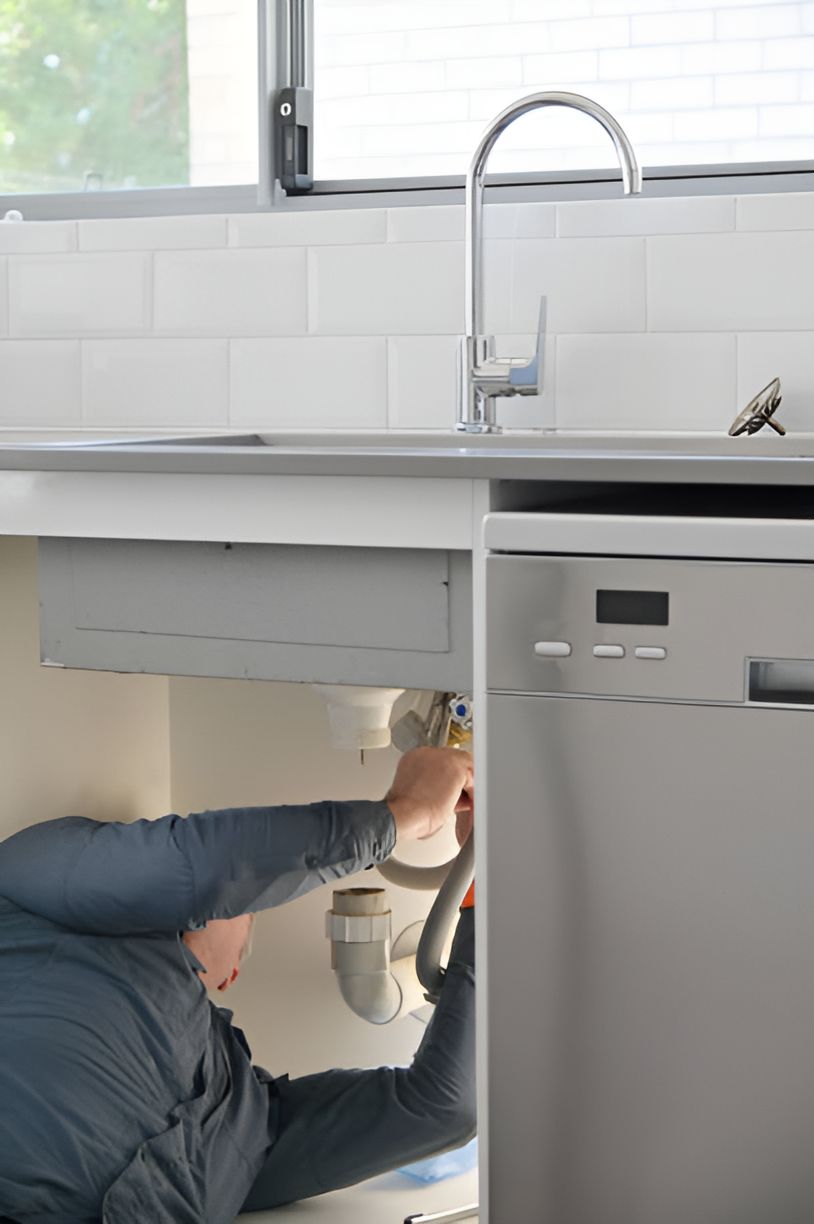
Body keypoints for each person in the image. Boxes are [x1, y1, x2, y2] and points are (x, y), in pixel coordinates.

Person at [0, 746, 475, 1224]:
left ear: (231, 974)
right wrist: (403, 815)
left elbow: (442, 1108)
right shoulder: (24, 882)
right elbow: (204, 866)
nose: (228, 902)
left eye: (245, 909)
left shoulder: (251, 1115)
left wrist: (485, 888)